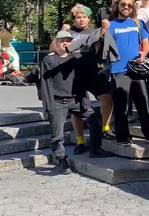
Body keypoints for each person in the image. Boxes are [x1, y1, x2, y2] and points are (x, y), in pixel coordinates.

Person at [40, 31, 113, 175]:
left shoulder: (77, 58)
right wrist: (48, 104)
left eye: (68, 40)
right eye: (62, 40)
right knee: (57, 134)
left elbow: (87, 74)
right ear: (57, 42)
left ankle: (95, 149)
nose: (65, 43)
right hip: (57, 101)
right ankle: (61, 159)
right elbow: (43, 81)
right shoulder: (49, 60)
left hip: (76, 99)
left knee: (95, 119)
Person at [107, 0, 149, 146]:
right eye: (123, 4)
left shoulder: (138, 23)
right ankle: (123, 137)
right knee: (121, 106)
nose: (126, 7)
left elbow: (146, 45)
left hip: (137, 69)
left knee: (144, 103)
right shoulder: (110, 25)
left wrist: (144, 53)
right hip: (118, 69)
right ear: (117, 6)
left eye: (130, 5)